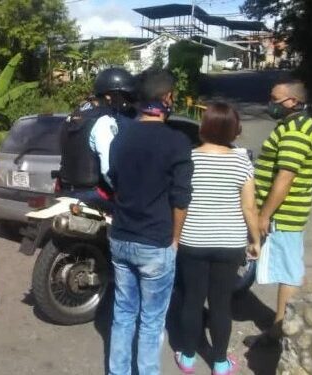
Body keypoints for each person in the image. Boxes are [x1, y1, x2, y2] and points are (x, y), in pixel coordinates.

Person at [106, 69, 193, 375]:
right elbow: (181, 198)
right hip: (155, 241)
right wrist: (176, 239)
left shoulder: (120, 137)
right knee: (152, 320)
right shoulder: (177, 142)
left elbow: (114, 181)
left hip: (120, 237)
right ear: (167, 98)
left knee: (123, 313)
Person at [174, 102, 261, 375]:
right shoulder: (241, 160)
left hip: (193, 241)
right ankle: (220, 363)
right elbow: (249, 207)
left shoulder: (189, 159)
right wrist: (255, 239)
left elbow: (180, 202)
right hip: (229, 243)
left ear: (205, 127)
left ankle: (187, 357)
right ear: (234, 131)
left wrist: (174, 236)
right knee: (221, 303)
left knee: (192, 299)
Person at [248, 78, 312, 346]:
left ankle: (279, 333)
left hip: (285, 215)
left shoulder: (297, 132)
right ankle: (279, 328)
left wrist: (265, 214)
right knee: (284, 270)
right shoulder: (291, 125)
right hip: (285, 213)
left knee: (288, 273)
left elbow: (285, 178)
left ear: (292, 102)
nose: (271, 104)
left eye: (275, 100)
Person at [58, 67, 136, 211]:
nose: (126, 101)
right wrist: (125, 192)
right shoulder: (104, 121)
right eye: (124, 96)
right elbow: (108, 168)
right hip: (94, 194)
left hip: (67, 190)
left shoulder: (73, 117)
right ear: (109, 96)